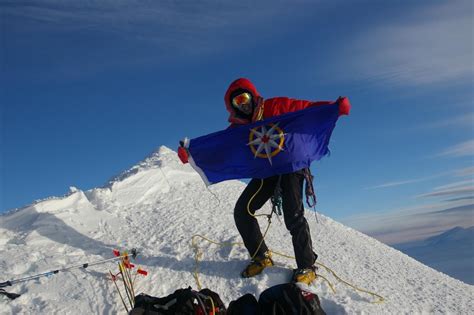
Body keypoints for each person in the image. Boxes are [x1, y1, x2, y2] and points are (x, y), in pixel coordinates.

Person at [179, 78, 350, 284]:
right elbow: (221, 148)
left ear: (252, 95)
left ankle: (306, 266)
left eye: (244, 97)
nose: (243, 103)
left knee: (293, 215)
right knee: (243, 211)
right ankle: (261, 257)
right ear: (232, 106)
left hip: (291, 167)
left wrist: (334, 108)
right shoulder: (238, 128)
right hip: (266, 173)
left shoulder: (277, 105)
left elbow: (308, 110)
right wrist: (191, 153)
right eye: (237, 102)